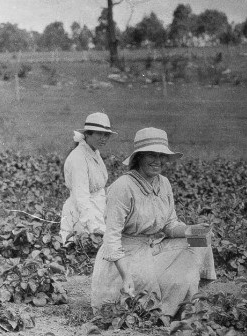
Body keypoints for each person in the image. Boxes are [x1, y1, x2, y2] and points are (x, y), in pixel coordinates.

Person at [91, 127, 216, 317]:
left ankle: (186, 297)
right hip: (125, 259)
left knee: (201, 240)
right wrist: (126, 276)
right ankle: (167, 305)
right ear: (139, 157)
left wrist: (192, 230)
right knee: (143, 305)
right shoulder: (123, 187)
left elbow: (170, 225)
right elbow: (111, 240)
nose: (158, 161)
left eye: (161, 155)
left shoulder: (163, 183)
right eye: (151, 154)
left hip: (151, 249)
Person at [59, 112, 117, 243]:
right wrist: (94, 228)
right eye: (99, 134)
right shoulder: (79, 158)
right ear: (88, 134)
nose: (103, 138)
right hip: (82, 213)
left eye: (106, 135)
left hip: (97, 209)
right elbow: (81, 197)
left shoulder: (94, 152)